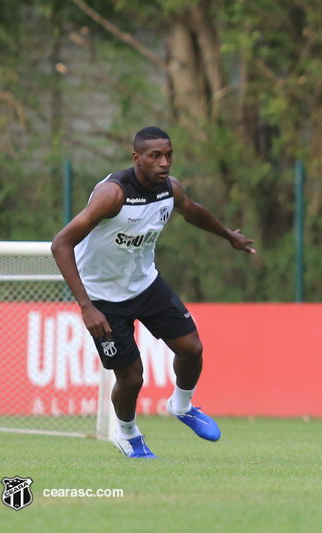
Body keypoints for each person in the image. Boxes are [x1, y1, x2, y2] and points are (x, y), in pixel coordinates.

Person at [52, 127, 255, 459]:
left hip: (145, 284)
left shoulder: (170, 190)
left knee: (192, 348)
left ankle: (181, 405)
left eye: (169, 155)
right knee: (132, 378)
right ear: (137, 159)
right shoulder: (112, 194)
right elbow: (61, 243)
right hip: (103, 296)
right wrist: (87, 307)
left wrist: (228, 236)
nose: (164, 163)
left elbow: (192, 211)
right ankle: (127, 433)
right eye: (155, 156)